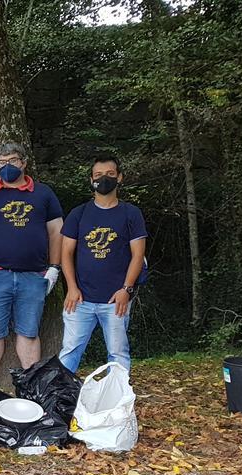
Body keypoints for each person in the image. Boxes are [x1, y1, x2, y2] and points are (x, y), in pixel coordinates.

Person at [0, 141, 64, 385]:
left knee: (29, 333)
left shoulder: (43, 194)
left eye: (12, 161)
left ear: (24, 163)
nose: (7, 166)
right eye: (2, 162)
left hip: (34, 275)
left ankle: (31, 385)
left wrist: (54, 267)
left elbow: (57, 232)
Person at [58, 153, 147, 373]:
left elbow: (138, 255)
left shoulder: (131, 214)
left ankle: (116, 401)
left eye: (109, 174)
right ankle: (58, 400)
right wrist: (71, 287)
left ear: (120, 178)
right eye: (98, 175)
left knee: (118, 353)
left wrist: (126, 289)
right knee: (69, 351)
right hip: (80, 299)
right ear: (91, 180)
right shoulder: (78, 214)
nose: (103, 179)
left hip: (116, 299)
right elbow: (65, 253)